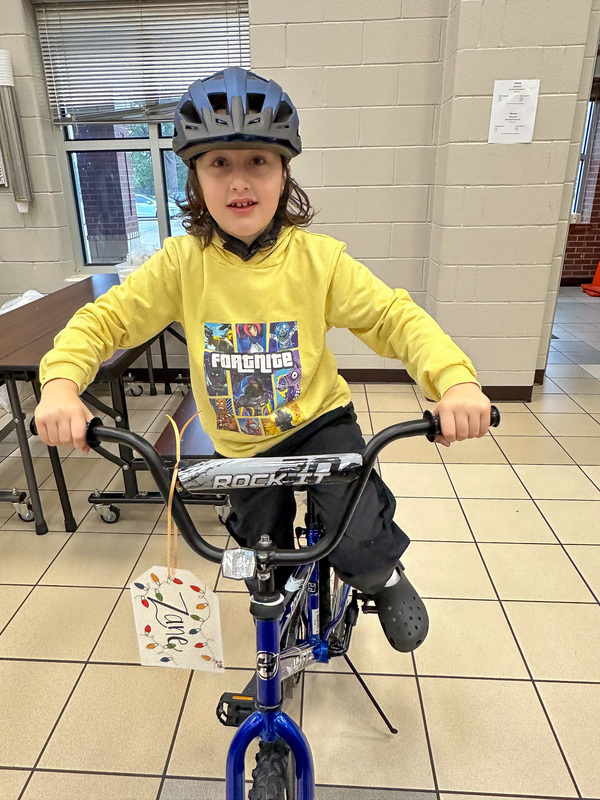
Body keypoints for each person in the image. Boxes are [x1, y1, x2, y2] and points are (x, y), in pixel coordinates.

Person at [35, 67, 491, 653]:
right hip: (242, 445)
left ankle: (381, 575)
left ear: (284, 173)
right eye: (218, 164)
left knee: (354, 533)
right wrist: (60, 384)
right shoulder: (182, 262)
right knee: (261, 565)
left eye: (258, 161)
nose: (238, 181)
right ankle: (274, 650)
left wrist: (454, 382)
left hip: (318, 422)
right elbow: (108, 319)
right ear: (196, 178)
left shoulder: (318, 260)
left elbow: (392, 317)